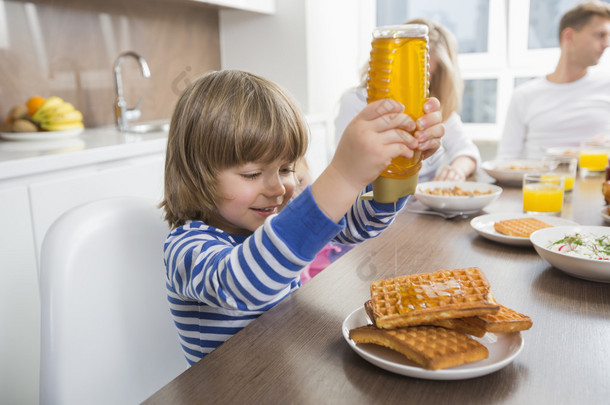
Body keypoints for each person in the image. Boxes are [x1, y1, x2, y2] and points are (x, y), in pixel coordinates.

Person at [160, 69, 445, 365]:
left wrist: (396, 169)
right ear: (196, 175)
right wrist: (343, 177)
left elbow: (353, 226)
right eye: (252, 174)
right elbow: (243, 283)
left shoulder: (272, 218)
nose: (278, 187)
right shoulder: (186, 247)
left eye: (285, 169)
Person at [335, 18, 480, 182]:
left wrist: (456, 170)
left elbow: (467, 151)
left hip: (423, 206)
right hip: (371, 205)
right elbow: (345, 174)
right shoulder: (356, 103)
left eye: (421, 75)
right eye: (404, 69)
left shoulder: (432, 107)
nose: (408, 82)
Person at [497, 1, 610, 159]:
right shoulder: (524, 95)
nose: (607, 44)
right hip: (540, 181)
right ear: (569, 36)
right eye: (600, 35)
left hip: (596, 180)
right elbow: (506, 159)